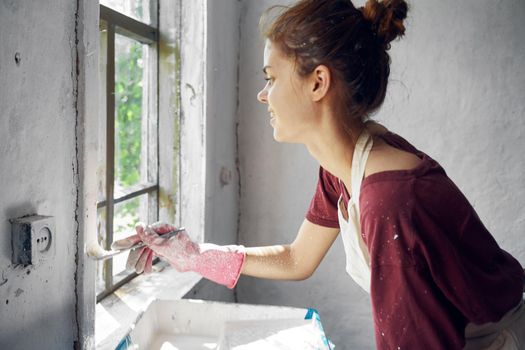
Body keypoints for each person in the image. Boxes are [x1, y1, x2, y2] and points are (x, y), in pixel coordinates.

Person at [112, 0, 525, 348]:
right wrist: (194, 255)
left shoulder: (391, 202)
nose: (262, 94)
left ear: (318, 83)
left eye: (271, 78)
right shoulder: (344, 166)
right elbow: (297, 258)